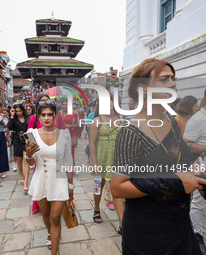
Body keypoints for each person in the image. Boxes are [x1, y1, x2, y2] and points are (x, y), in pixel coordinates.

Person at [111, 58, 204, 254]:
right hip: (147, 231)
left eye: (173, 78)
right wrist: (176, 183)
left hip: (179, 223)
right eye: (164, 79)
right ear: (143, 88)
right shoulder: (130, 131)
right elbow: (118, 188)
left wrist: (194, 170)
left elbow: (176, 163)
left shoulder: (171, 121)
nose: (173, 83)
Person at [25, 103, 73, 254]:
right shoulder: (32, 134)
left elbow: (69, 162)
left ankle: (54, 252)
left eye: (49, 114)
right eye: (43, 115)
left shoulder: (64, 134)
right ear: (39, 117)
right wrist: (28, 154)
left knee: (55, 217)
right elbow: (31, 162)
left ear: (55, 116)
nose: (46, 118)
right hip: (41, 179)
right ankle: (50, 233)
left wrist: (70, 187)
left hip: (59, 180)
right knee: (46, 215)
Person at [88, 96, 124, 232]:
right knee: (99, 185)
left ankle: (122, 223)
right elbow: (92, 144)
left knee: (117, 189)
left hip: (117, 158)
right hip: (101, 158)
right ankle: (96, 209)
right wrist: (95, 163)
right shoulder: (97, 120)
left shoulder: (122, 120)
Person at [183, 89, 206, 254]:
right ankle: (198, 235)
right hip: (201, 164)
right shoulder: (198, 119)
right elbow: (186, 144)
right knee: (199, 202)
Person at [8, 104, 29, 185]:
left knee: (25, 160)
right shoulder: (14, 119)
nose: (19, 113)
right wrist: (12, 116)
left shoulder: (28, 118)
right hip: (17, 141)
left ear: (23, 110)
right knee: (19, 160)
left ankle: (26, 179)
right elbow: (9, 127)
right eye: (16, 111)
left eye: (20, 111)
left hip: (27, 141)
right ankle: (22, 175)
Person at [59, 100, 79, 166]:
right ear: (62, 106)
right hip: (60, 136)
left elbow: (77, 124)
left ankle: (71, 170)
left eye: (66, 105)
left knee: (71, 153)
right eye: (64, 105)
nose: (65, 106)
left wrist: (69, 126)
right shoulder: (59, 114)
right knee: (61, 153)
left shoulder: (73, 114)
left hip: (71, 135)